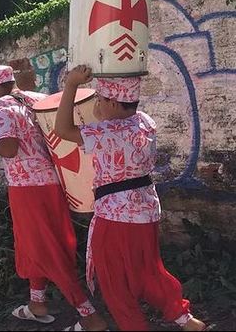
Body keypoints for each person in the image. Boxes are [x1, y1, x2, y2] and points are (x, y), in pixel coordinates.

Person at [55, 66, 208, 331]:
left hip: (116, 215)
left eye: (100, 101)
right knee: (148, 270)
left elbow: (62, 129)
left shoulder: (107, 131)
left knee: (115, 281)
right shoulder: (145, 122)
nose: (98, 106)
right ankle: (185, 319)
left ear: (113, 102)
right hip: (146, 209)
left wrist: (70, 85)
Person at [0, 62, 107, 331]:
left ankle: (89, 316)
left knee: (48, 251)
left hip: (27, 189)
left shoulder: (1, 106)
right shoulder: (37, 99)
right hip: (55, 183)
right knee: (35, 245)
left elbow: (9, 149)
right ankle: (37, 304)